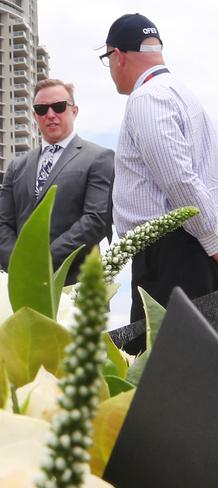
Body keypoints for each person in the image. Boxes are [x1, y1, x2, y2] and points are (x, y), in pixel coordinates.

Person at [101, 14, 218, 352]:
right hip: (187, 247)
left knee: (164, 362)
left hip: (171, 253)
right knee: (194, 358)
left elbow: (179, 179)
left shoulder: (147, 98)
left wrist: (212, 243)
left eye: (107, 59)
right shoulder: (181, 93)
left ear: (117, 55)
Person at [0, 79, 114, 285]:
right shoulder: (17, 166)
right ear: (34, 116)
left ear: (74, 111)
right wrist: (19, 265)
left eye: (58, 107)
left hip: (77, 283)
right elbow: (2, 223)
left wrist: (43, 261)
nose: (50, 115)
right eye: (41, 109)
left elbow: (96, 220)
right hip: (25, 286)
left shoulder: (99, 158)